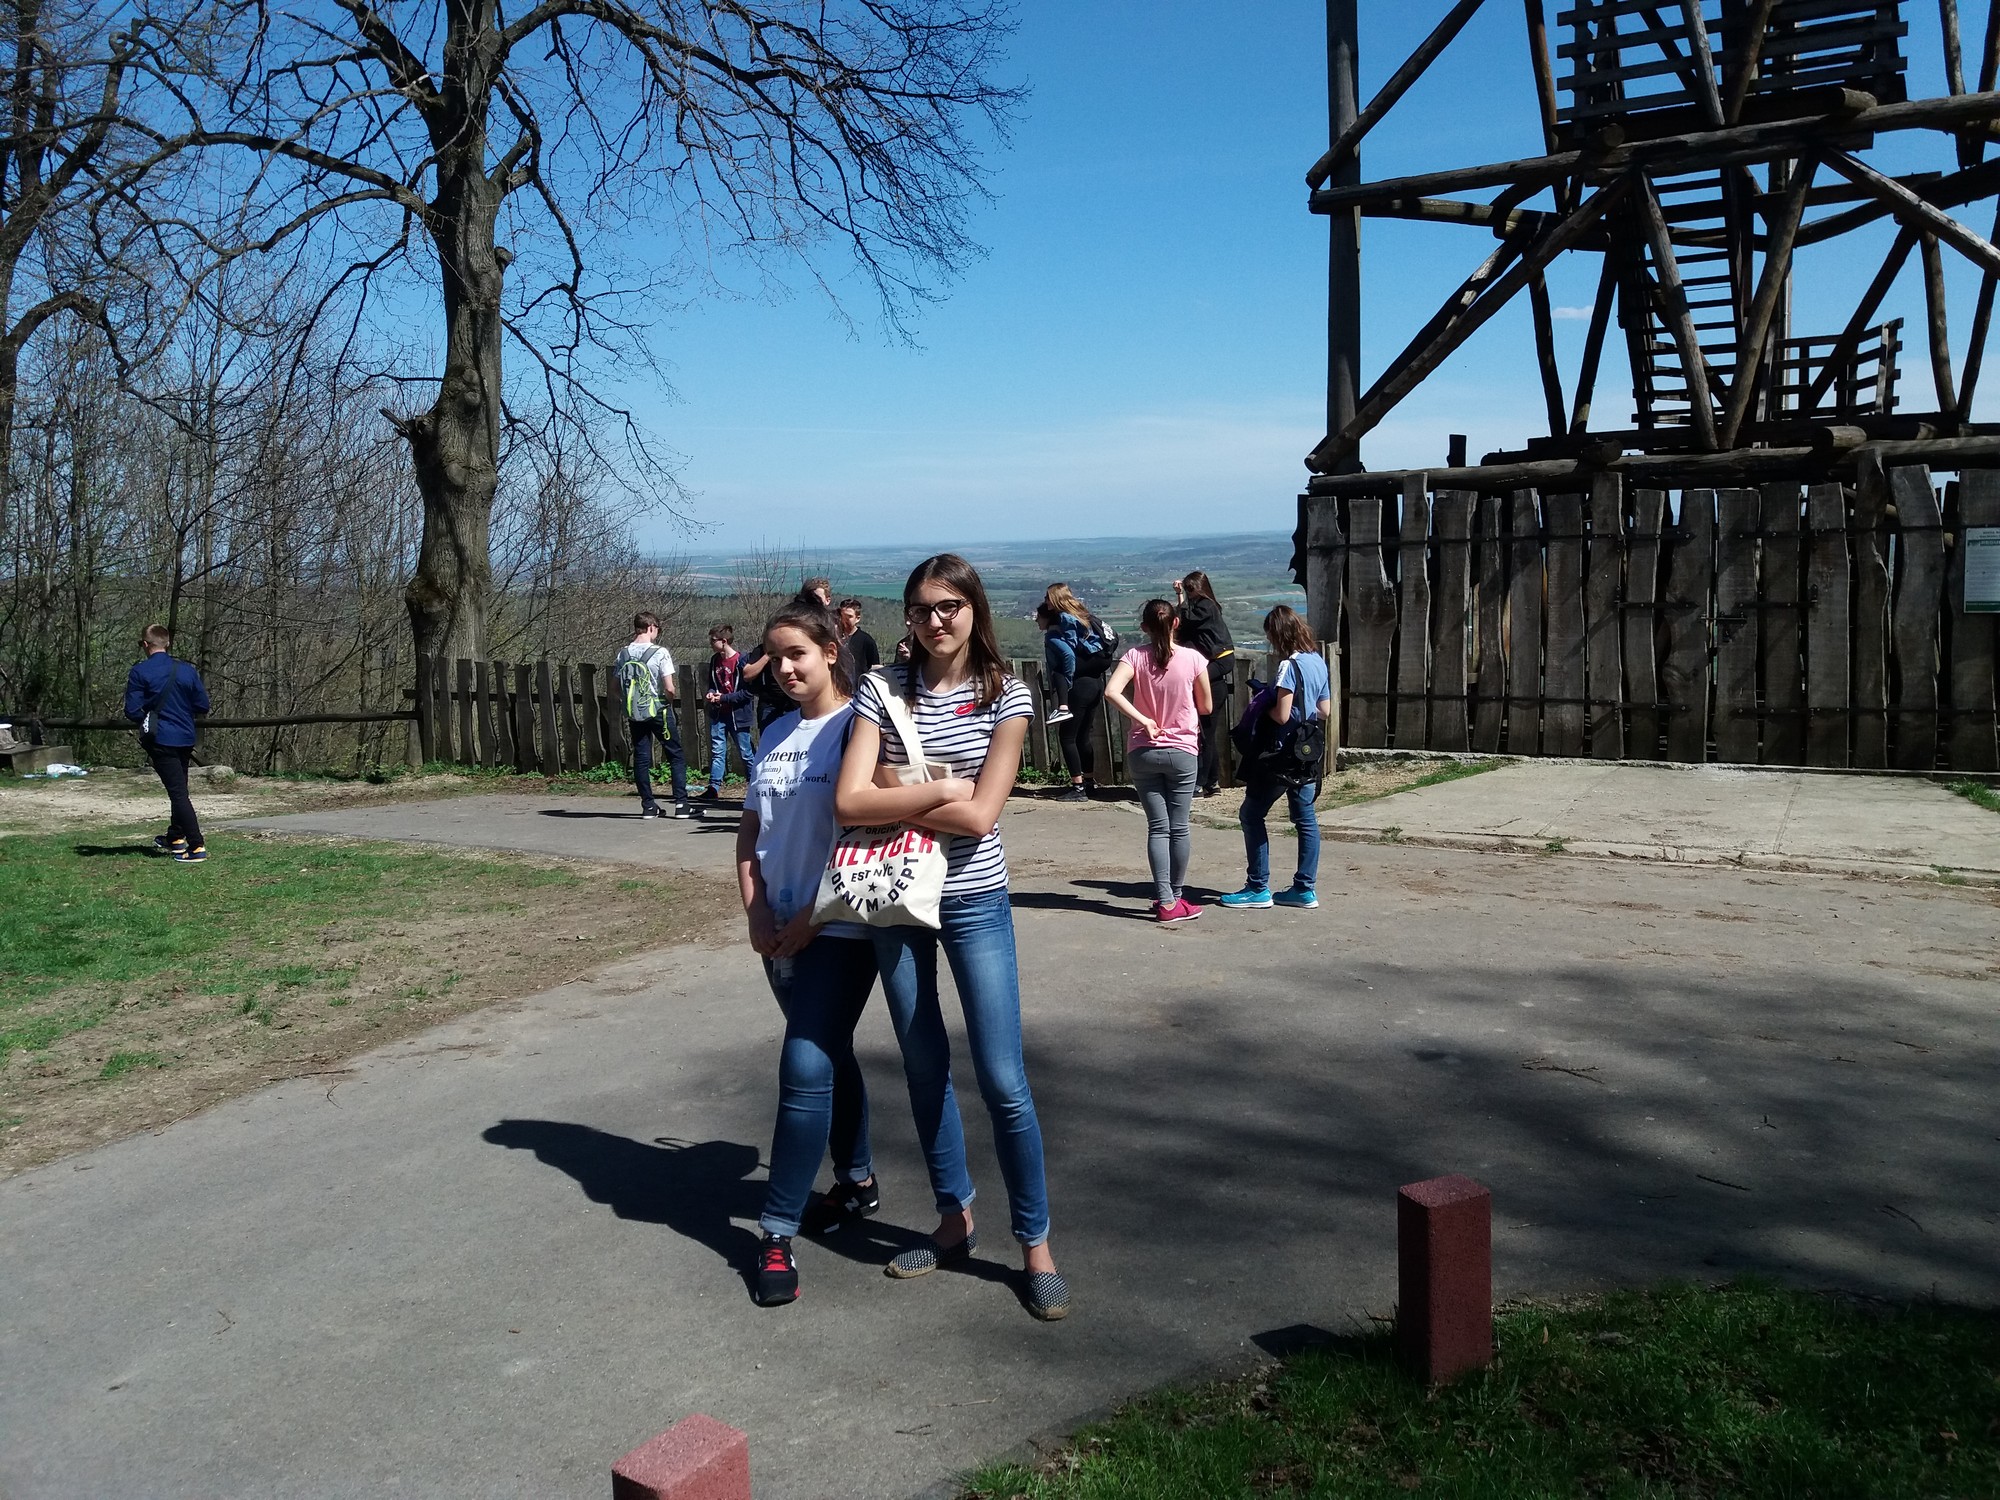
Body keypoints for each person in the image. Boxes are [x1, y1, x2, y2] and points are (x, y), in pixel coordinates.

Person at [836, 553, 1068, 1322]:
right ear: (907, 616)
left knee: (1002, 1078)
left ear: (974, 609)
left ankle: (1035, 1245)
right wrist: (939, 788)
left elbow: (982, 818)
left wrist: (895, 791)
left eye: (949, 607)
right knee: (922, 1064)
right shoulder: (881, 688)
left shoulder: (1008, 695)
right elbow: (848, 802)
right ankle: (952, 1219)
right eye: (921, 608)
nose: (935, 621)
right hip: (896, 897)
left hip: (973, 899)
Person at [739, 599, 883, 1306]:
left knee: (802, 1064)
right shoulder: (774, 733)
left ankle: (775, 1232)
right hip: (778, 932)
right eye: (776, 657)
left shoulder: (859, 728)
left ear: (831, 649)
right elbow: (750, 834)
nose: (785, 668)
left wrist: (812, 919)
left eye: (797, 653)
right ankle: (856, 1179)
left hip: (840, 929)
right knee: (828, 1053)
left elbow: (869, 836)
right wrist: (757, 910)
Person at [1103, 600, 1211, 924]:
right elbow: (1206, 706)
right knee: (1179, 827)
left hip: (1143, 750)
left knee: (1158, 827)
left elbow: (1111, 691)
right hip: (1182, 751)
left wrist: (1144, 720)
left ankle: (1165, 899)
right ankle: (1174, 897)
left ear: (1144, 628)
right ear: (1176, 623)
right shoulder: (1193, 659)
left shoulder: (1135, 656)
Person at [1220, 605, 1331, 911]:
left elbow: (1281, 715)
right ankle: (1304, 889)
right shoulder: (1317, 661)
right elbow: (1324, 711)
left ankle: (1257, 887)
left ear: (1278, 634)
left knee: (1251, 814)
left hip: (1280, 753)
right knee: (1305, 820)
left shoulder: (1288, 666)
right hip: (1306, 753)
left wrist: (1261, 704)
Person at [123, 623, 212, 862]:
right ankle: (175, 837)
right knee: (179, 787)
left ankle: (196, 846)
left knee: (178, 793)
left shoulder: (140, 672)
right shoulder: (187, 671)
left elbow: (132, 710)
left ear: (145, 644)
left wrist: (150, 716)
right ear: (168, 643)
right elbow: (202, 705)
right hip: (185, 736)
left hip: (161, 738)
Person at [614, 611, 691, 819]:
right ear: (651, 627)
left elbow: (615, 687)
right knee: (675, 754)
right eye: (657, 629)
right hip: (658, 710)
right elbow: (669, 687)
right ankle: (681, 804)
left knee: (641, 757)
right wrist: (667, 702)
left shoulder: (623, 653)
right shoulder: (660, 652)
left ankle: (648, 806)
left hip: (634, 712)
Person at [1039, 582, 1110, 803]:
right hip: (1095, 684)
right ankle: (1089, 783)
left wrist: (1067, 679)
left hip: (1079, 687)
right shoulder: (1082, 614)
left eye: (1048, 597)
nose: (1046, 601)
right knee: (1083, 737)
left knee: (1067, 737)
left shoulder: (1061, 623)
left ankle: (1078, 788)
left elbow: (1068, 655)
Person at [1173, 570, 1235, 797]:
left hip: (1220, 658)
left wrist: (1180, 597)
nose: (1189, 593)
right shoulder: (1202, 606)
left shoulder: (1206, 607)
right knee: (1207, 733)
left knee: (1205, 733)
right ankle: (1211, 782)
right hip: (1216, 660)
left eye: (1191, 589)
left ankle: (1199, 783)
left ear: (1200, 588)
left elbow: (1185, 620)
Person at [700, 624, 755, 801]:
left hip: (738, 716)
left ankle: (755, 786)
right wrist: (711, 693)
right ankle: (713, 789)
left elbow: (747, 693)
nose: (711, 643)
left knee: (746, 753)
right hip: (719, 715)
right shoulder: (715, 660)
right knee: (717, 752)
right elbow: (713, 684)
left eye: (713, 640)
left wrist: (724, 698)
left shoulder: (742, 661)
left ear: (724, 641)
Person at [837, 598, 881, 676]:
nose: (844, 620)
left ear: (857, 619)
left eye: (849, 616)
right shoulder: (834, 638)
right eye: (842, 616)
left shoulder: (867, 641)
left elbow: (875, 668)